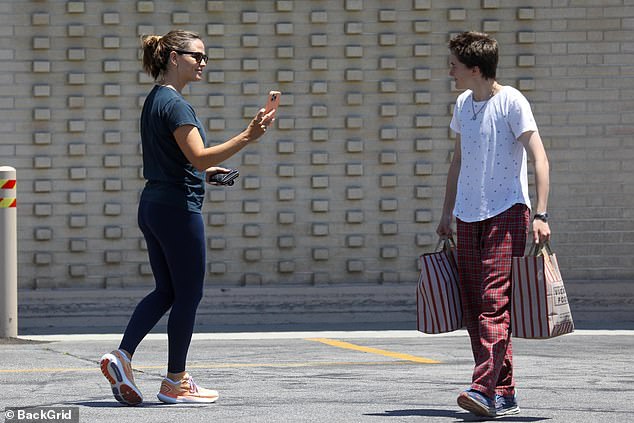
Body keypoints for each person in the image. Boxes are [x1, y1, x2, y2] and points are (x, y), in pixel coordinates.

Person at [99, 29, 275, 406]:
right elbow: (198, 156)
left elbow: (181, 161)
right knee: (188, 294)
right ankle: (175, 381)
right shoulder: (177, 105)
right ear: (174, 58)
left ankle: (122, 356)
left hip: (154, 204)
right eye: (197, 56)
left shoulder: (155, 100)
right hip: (178, 209)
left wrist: (204, 173)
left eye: (205, 57)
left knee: (167, 290)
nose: (203, 63)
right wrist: (249, 135)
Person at [436, 31, 551, 418]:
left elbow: (539, 158)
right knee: (473, 308)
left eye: (454, 64)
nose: (449, 70)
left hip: (507, 212)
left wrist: (541, 213)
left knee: (493, 304)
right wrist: (446, 212)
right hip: (468, 216)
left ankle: (482, 388)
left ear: (474, 68)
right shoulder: (463, 103)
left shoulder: (512, 101)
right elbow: (457, 162)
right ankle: (504, 392)